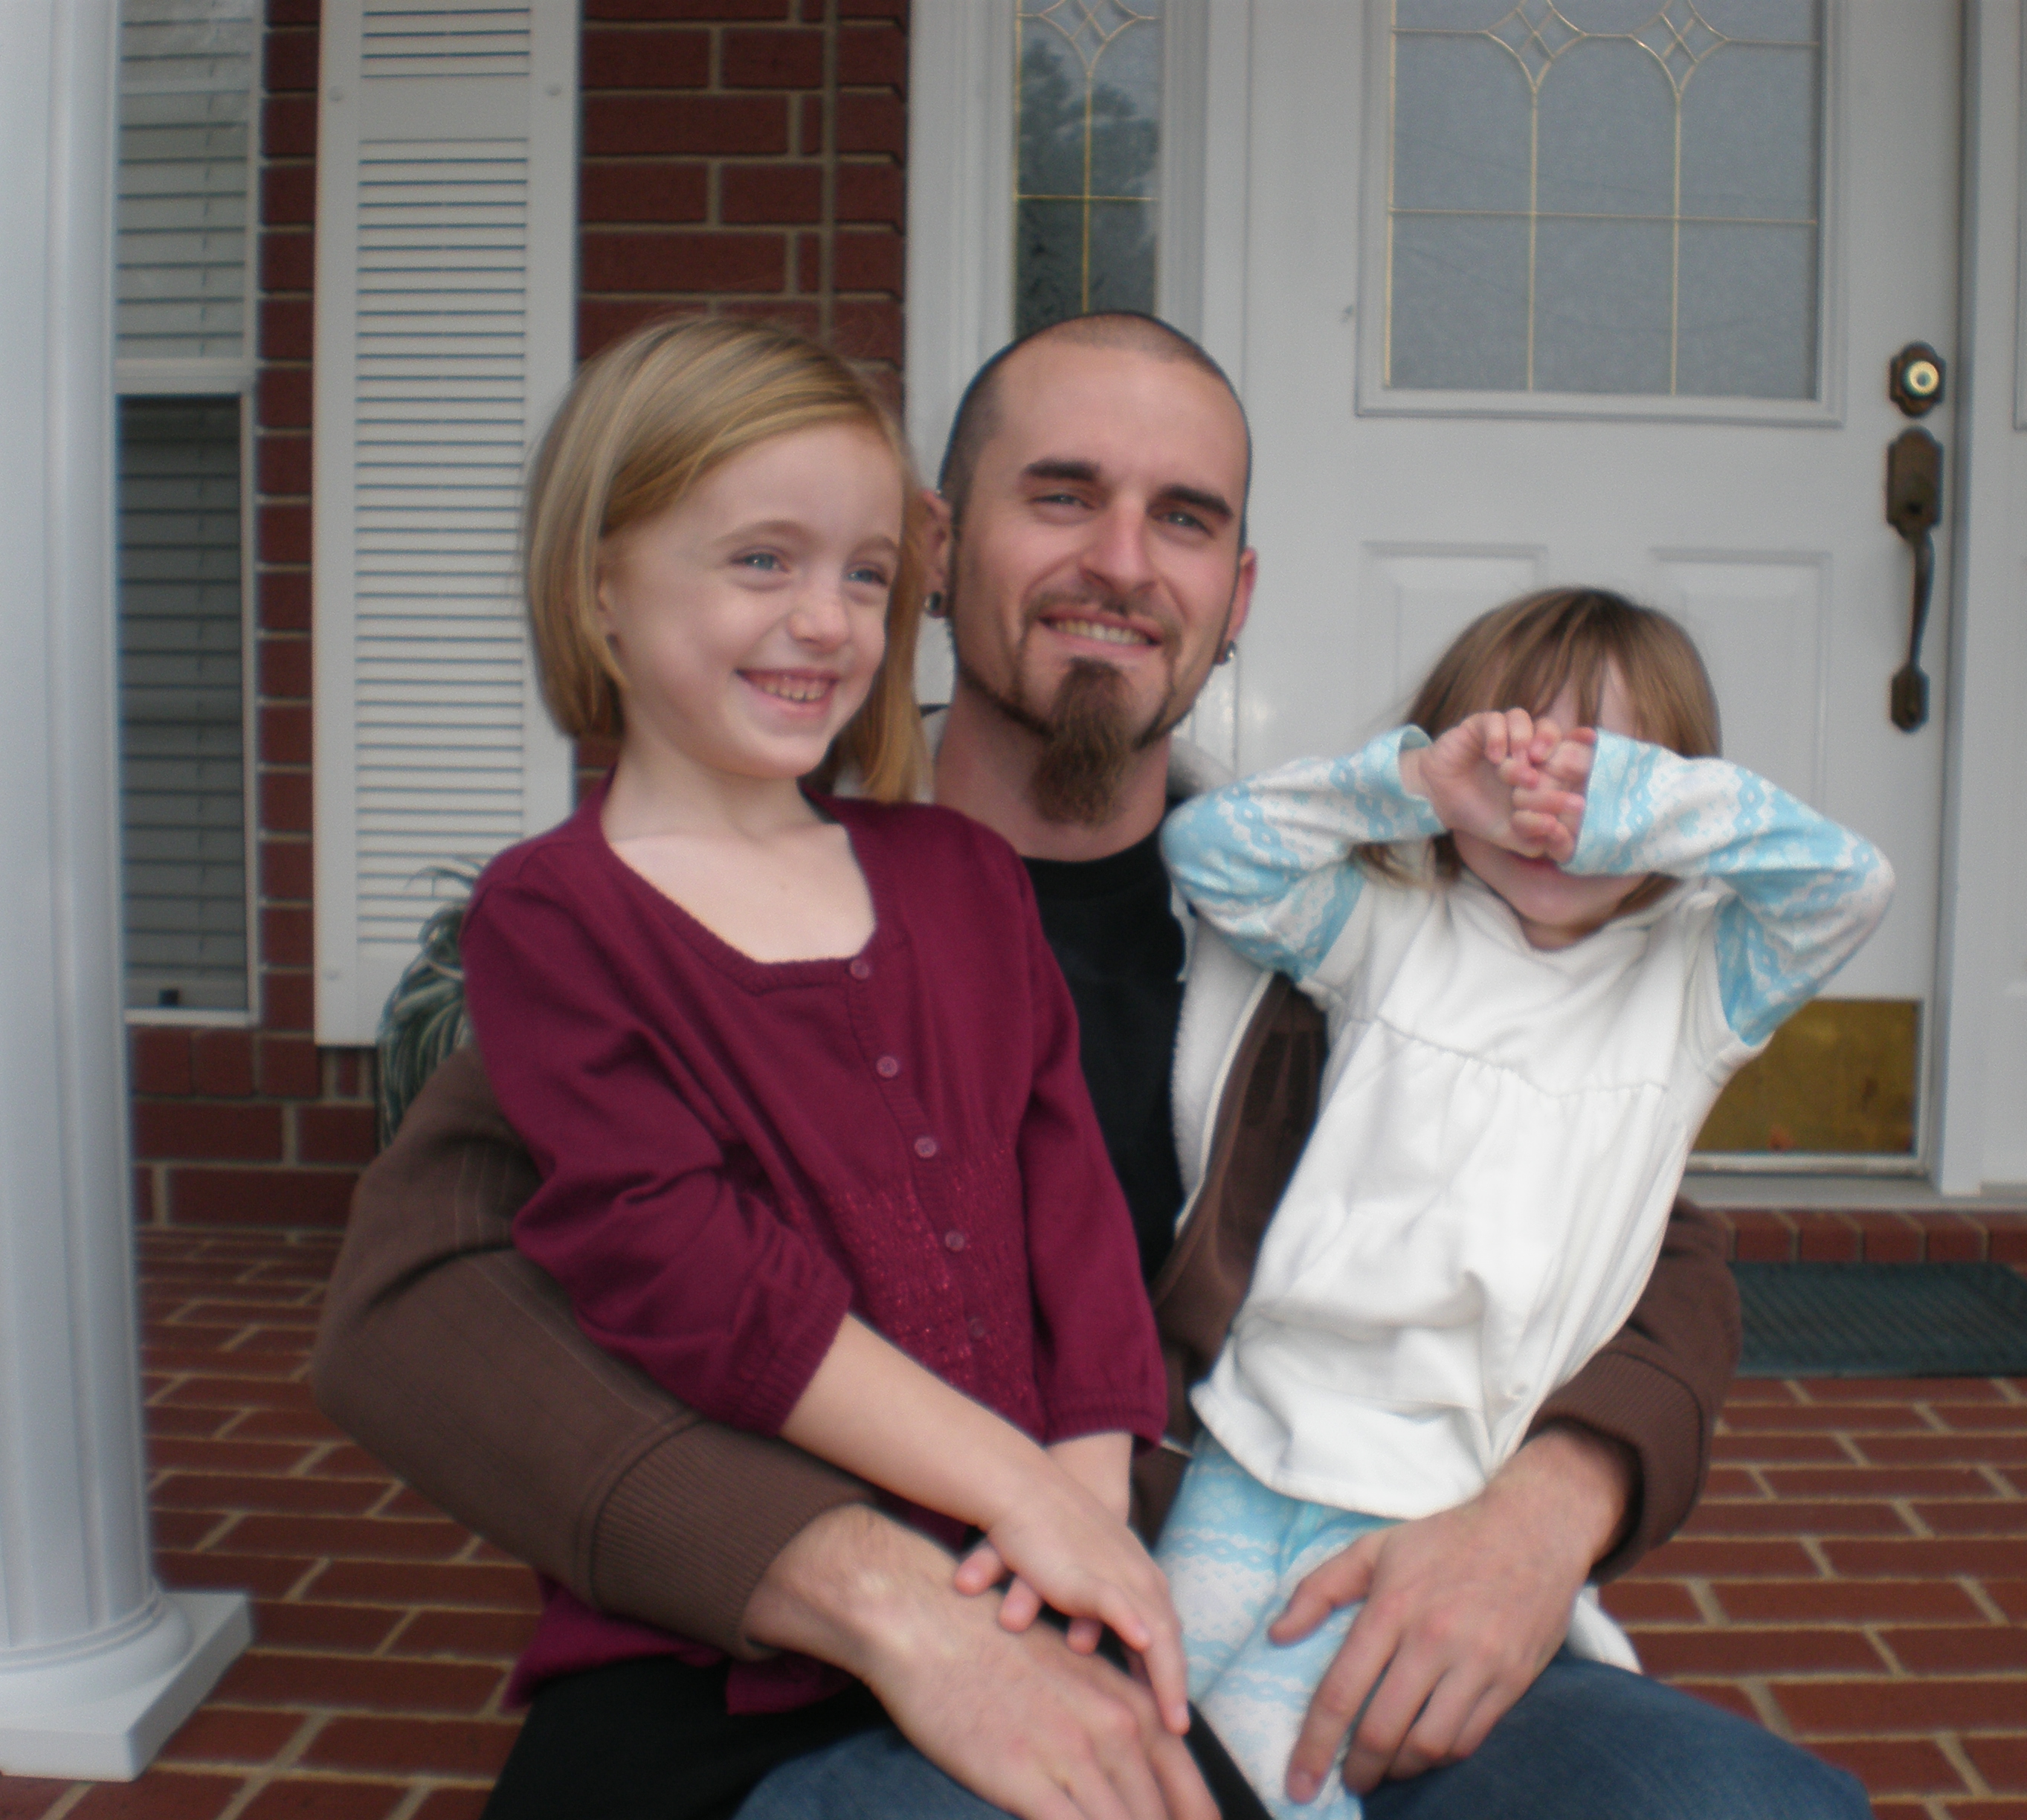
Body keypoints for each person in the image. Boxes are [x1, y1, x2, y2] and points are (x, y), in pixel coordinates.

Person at [314, 311, 1877, 1820]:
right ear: (940, 548)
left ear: (1236, 591)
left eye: (1183, 519)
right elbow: (416, 1304)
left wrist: (1548, 1510)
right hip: (828, 1639)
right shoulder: (684, 905)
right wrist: (868, 1589)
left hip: (1287, 1604)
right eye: (1062, 495)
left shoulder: (1359, 924)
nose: (1123, 564)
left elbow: (1651, 1227)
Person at [451, 312, 1190, 1785]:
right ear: (600, 585)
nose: (829, 621)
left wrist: (1085, 1498)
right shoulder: (556, 917)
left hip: (1037, 1577)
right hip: (724, 1646)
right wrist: (1015, 1490)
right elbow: (680, 1265)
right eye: (760, 561)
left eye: (864, 575)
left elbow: (1070, 1207)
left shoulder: (960, 877)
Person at [1150, 590, 1893, 1814]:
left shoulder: (1693, 989)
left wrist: (1643, 806)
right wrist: (1416, 787)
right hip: (1251, 1435)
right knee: (1147, 1719)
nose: (1553, 819)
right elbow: (1211, 853)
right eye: (1519, 769)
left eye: (1600, 781)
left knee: (1270, 1772)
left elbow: (1851, 885)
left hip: (1431, 1500)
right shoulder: (1394, 930)